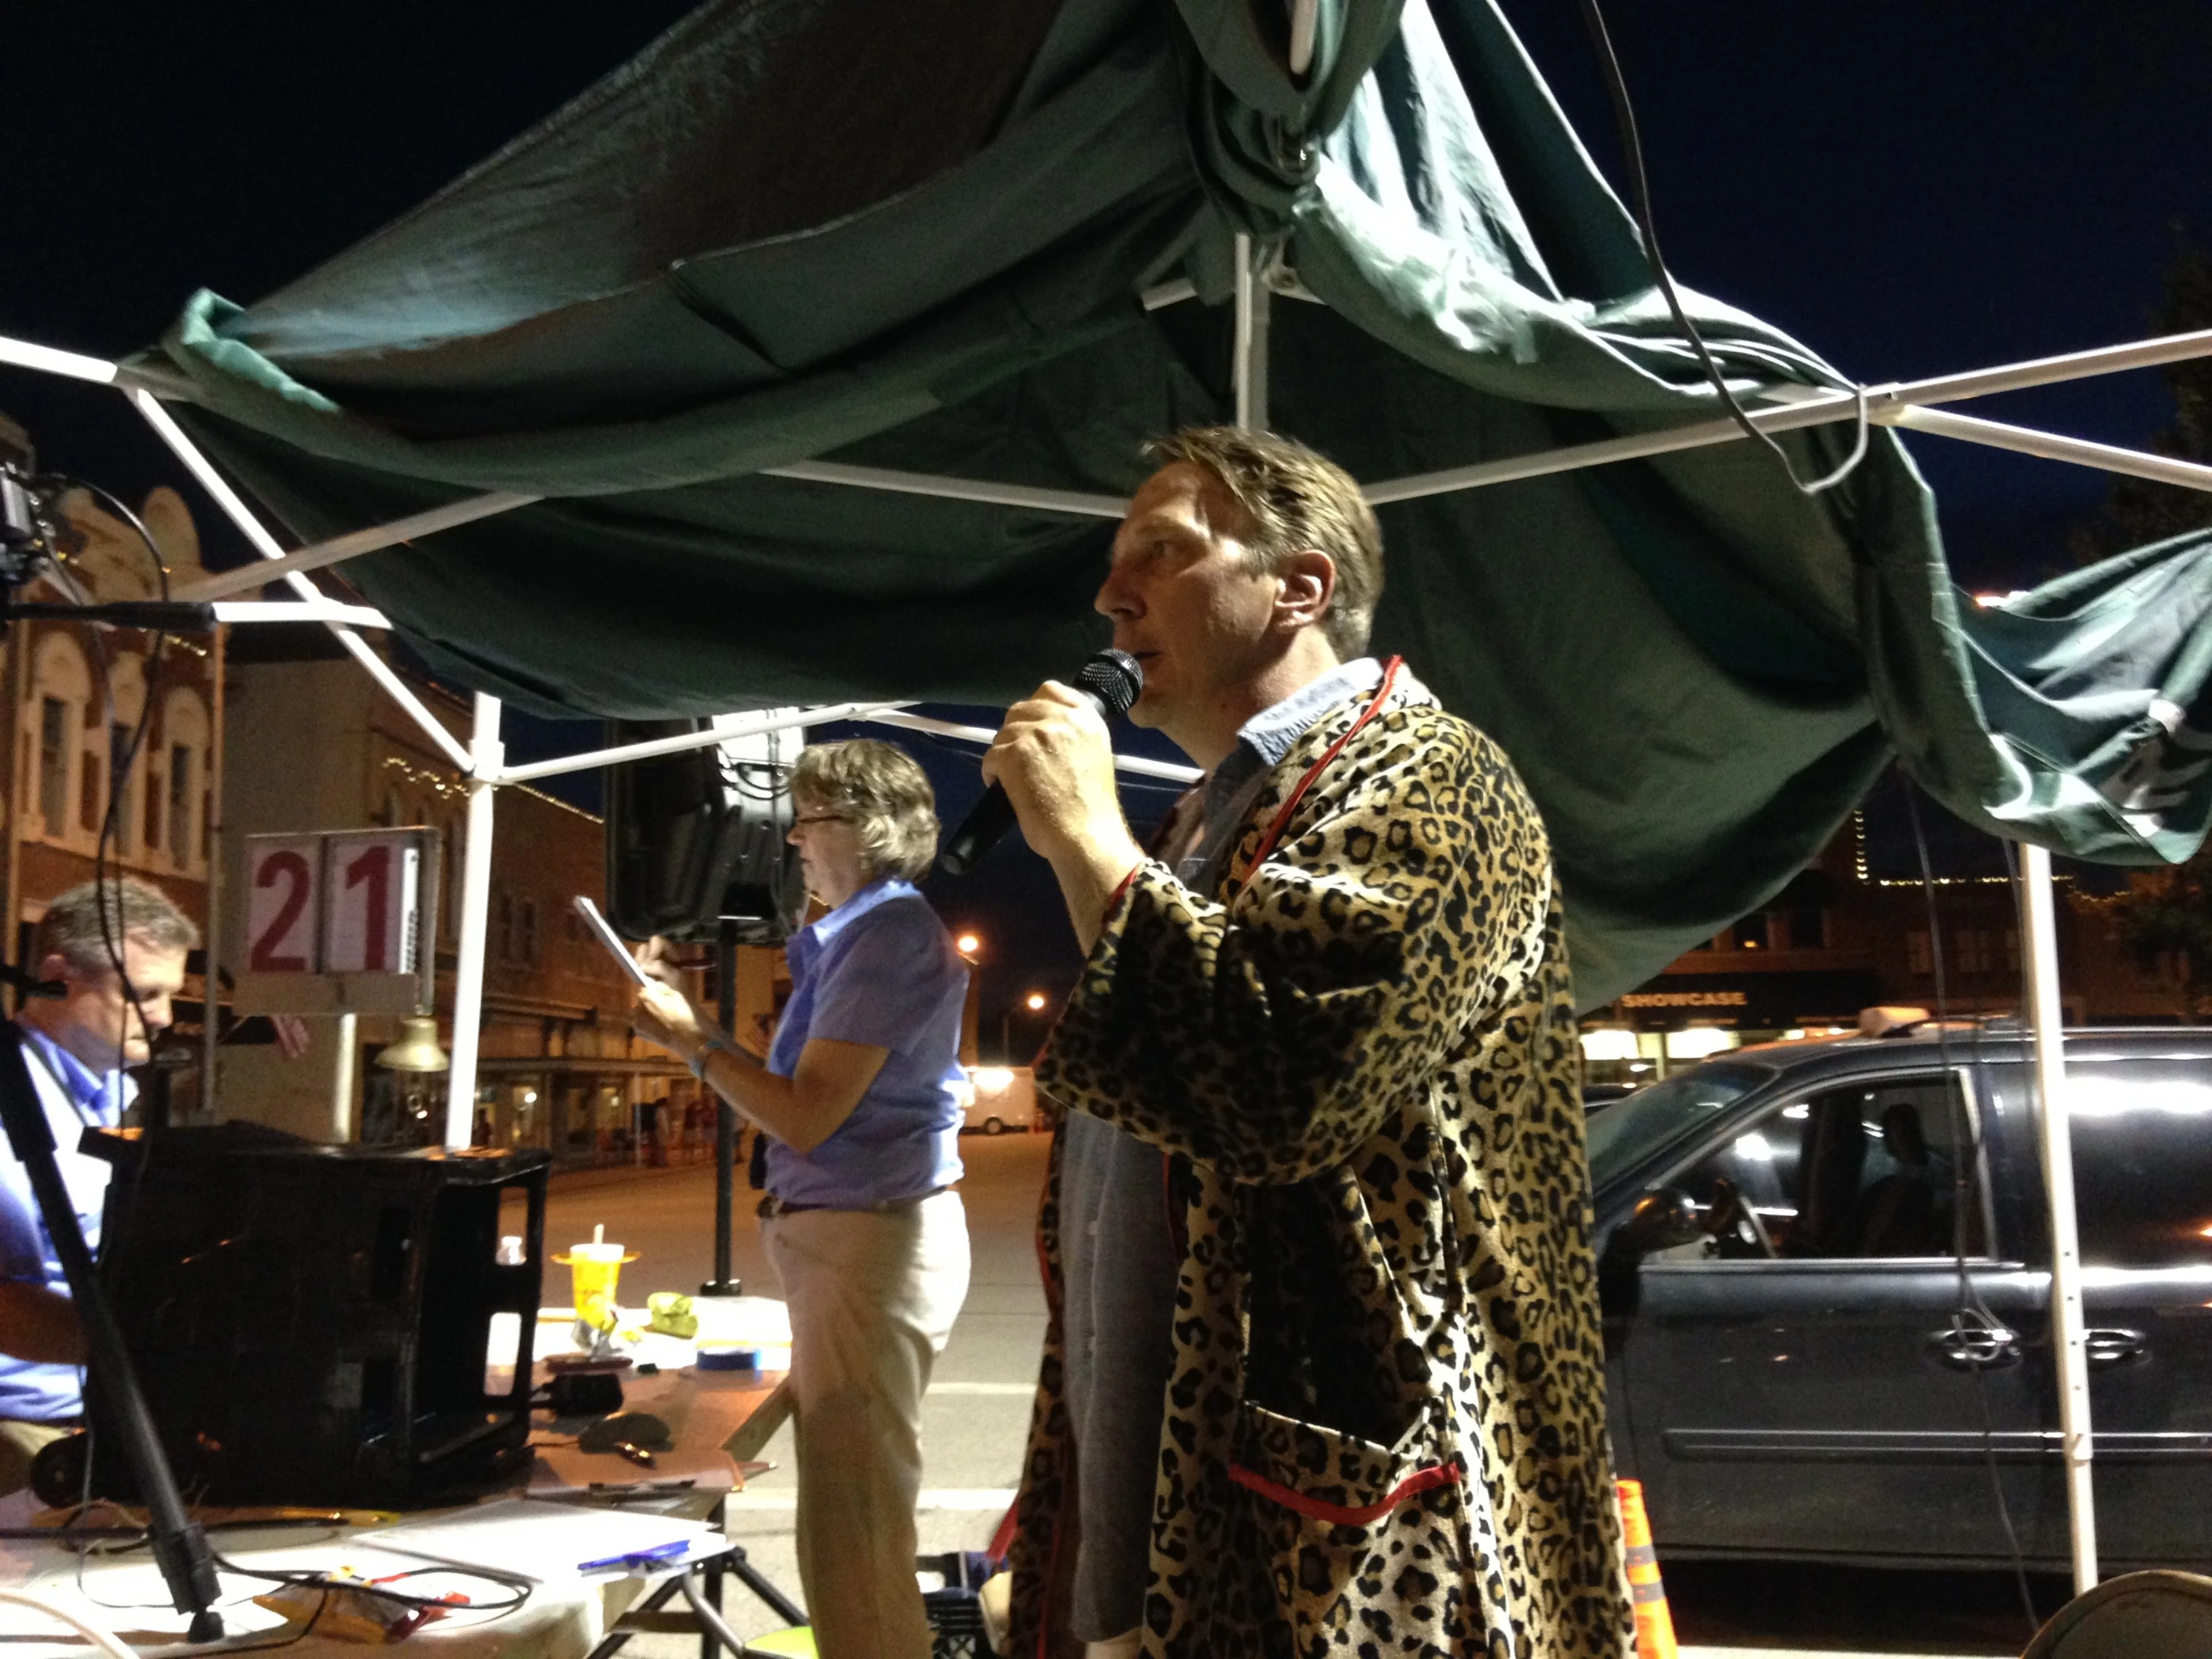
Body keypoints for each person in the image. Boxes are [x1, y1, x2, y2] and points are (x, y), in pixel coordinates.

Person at [980, 428, 1633, 1658]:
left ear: (1299, 586)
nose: (1108, 595)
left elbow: (1281, 1085)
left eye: (1162, 554)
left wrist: (1080, 836)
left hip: (1346, 1550)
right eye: (1114, 566)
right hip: (1170, 1514)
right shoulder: (1200, 816)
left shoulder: (1433, 776)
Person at [632, 739, 971, 1659]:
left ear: (863, 828)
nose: (793, 842)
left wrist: (693, 1041)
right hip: (858, 1241)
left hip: (871, 1243)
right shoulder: (862, 932)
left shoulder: (888, 934)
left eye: (808, 819)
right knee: (846, 1512)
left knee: (855, 1526)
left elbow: (809, 1115)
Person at [0, 878, 197, 1497]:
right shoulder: (11, 1105)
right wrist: (159, 1344)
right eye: (144, 993)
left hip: (89, 1415)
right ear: (58, 977)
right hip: (22, 1434)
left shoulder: (107, 1095)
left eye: (171, 994)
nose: (163, 1016)